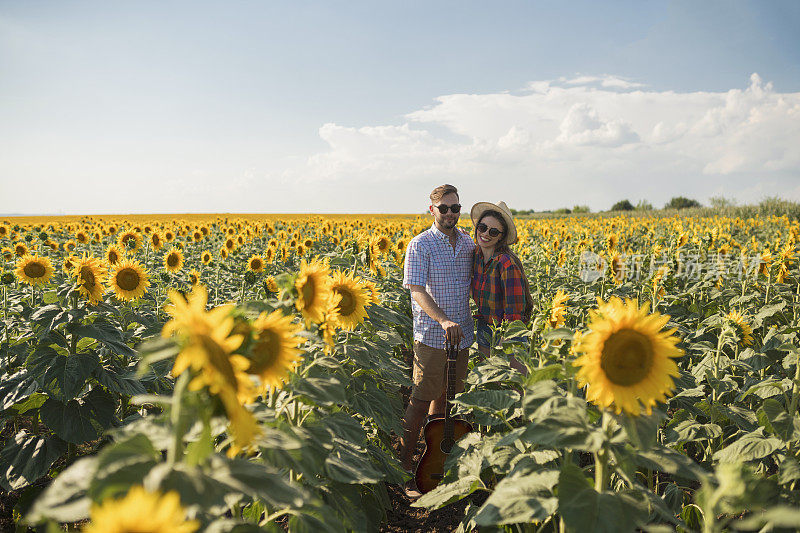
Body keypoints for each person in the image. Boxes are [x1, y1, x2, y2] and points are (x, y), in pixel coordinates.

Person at [399, 184, 475, 496]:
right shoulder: (421, 245)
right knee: (419, 401)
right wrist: (443, 319)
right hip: (432, 337)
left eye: (455, 208)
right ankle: (402, 468)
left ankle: (433, 463)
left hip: (462, 338)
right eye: (443, 208)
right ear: (432, 210)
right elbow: (416, 290)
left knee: (446, 402)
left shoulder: (469, 242)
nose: (450, 214)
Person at [470, 201, 532, 375]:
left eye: (494, 231)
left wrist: (505, 340)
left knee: (513, 388)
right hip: (485, 328)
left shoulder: (506, 263)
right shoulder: (476, 256)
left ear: (501, 236)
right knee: (491, 385)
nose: (485, 234)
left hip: (509, 332)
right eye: (482, 227)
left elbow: (515, 310)